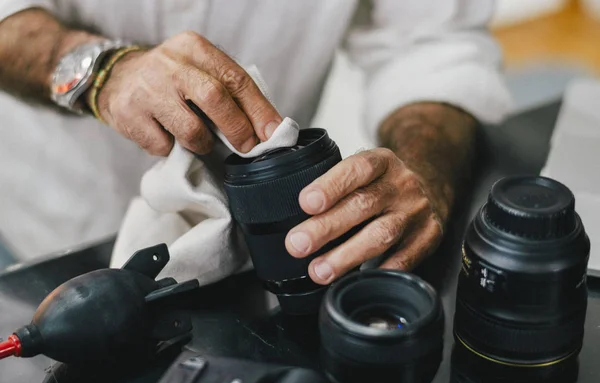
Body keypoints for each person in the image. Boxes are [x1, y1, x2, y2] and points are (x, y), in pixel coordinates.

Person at [0, 1, 511, 283]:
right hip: (48, 229)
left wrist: (423, 169)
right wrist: (98, 70)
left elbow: (431, 43)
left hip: (262, 251)